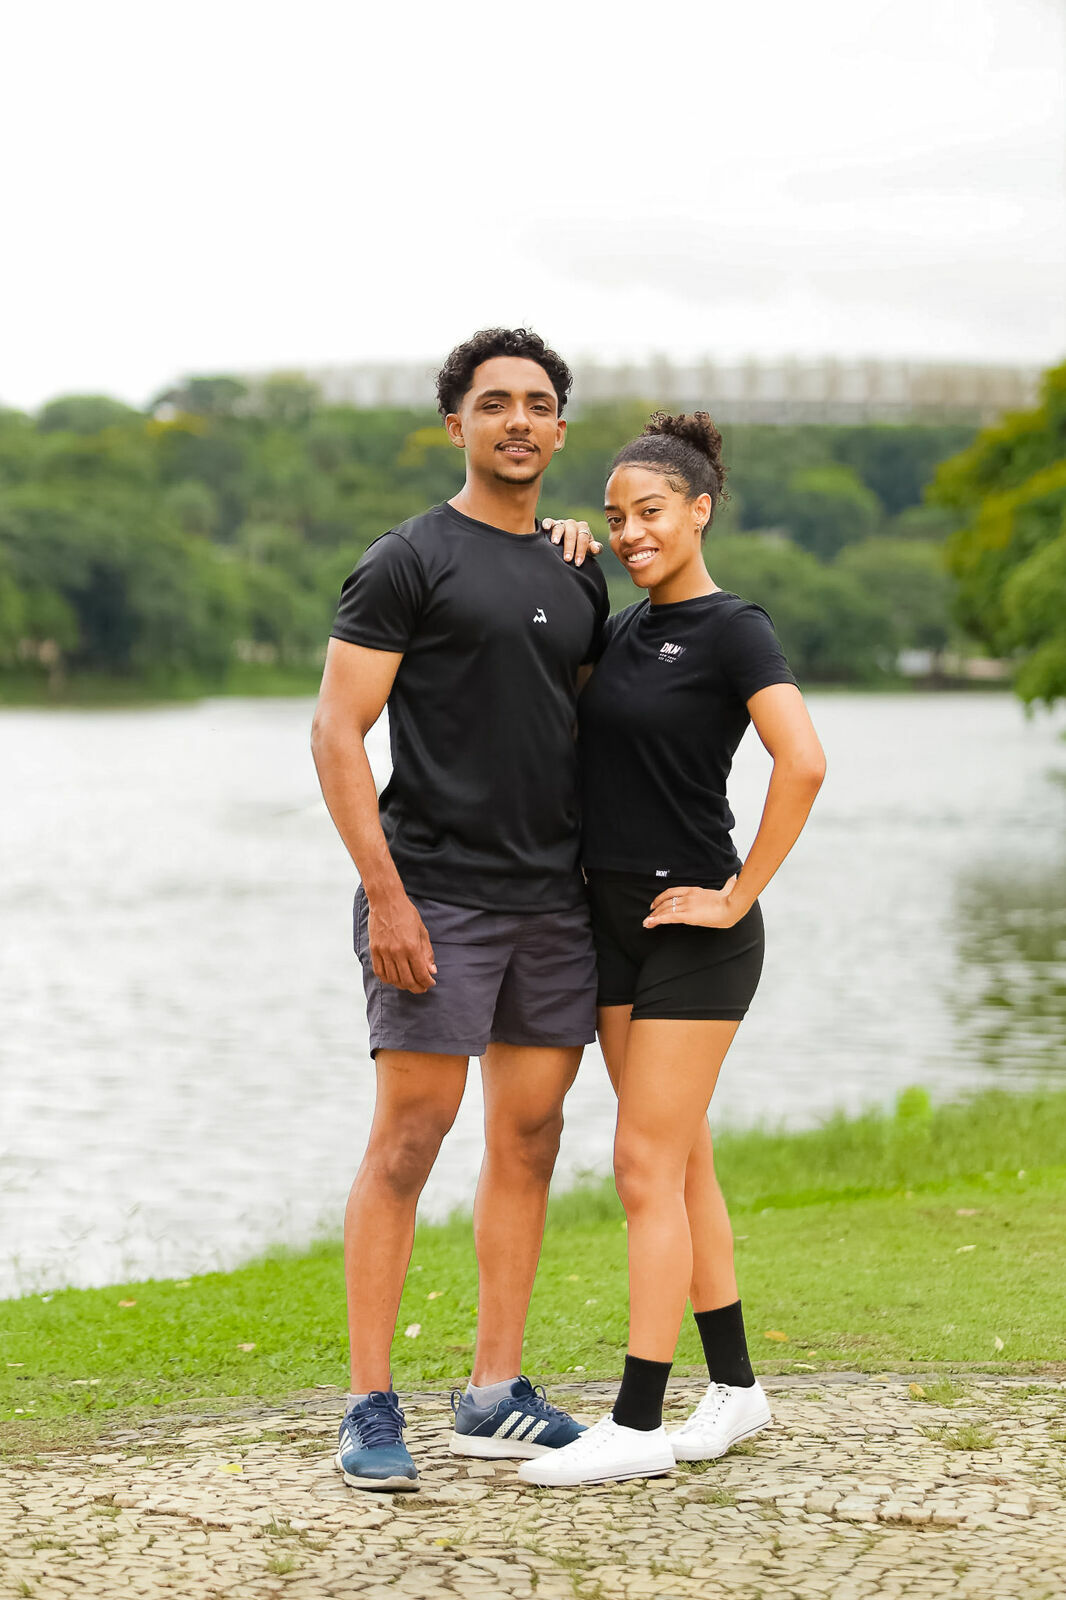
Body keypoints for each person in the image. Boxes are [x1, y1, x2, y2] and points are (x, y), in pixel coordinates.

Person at [311, 328, 609, 1492]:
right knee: (407, 1141)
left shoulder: (575, 567)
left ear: (559, 430)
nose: (517, 420)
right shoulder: (406, 560)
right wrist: (387, 895)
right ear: (457, 425)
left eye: (537, 404)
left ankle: (493, 1393)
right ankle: (368, 1403)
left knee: (529, 1139)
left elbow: (577, 723)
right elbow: (337, 731)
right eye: (494, 403)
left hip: (553, 903)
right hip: (433, 893)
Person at [521, 412, 826, 1488]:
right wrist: (564, 557)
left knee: (643, 1163)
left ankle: (639, 1421)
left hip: (695, 931)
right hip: (610, 922)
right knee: (680, 1156)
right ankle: (735, 1388)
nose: (632, 532)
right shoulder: (620, 630)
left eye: (650, 511)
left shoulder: (735, 629)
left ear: (700, 509)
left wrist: (737, 894)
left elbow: (802, 761)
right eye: (615, 517)